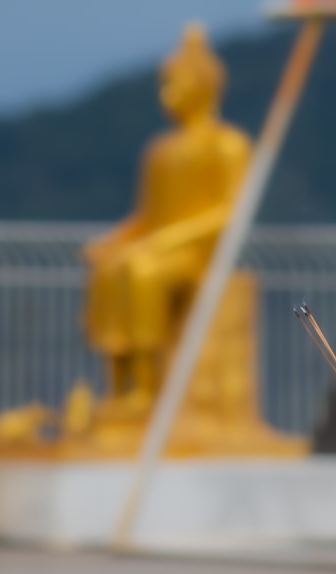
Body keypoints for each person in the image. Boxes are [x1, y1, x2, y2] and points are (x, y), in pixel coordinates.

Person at [82, 23, 252, 416]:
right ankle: (119, 386)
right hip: (157, 246)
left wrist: (165, 241)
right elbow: (148, 216)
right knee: (111, 269)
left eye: (174, 83)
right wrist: (114, 241)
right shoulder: (159, 151)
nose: (167, 94)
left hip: (196, 255)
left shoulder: (227, 144)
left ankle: (146, 384)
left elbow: (229, 212)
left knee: (141, 271)